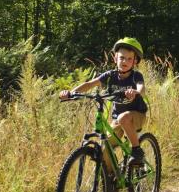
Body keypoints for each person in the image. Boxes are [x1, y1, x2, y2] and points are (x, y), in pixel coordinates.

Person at [59, 37, 148, 169]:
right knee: (105, 148)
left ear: (135, 61)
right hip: (117, 119)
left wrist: (136, 92)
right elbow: (89, 84)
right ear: (115, 58)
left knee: (123, 117)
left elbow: (141, 87)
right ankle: (112, 182)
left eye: (129, 59)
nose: (125, 61)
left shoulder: (136, 76)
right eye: (122, 58)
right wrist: (70, 93)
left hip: (137, 116)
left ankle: (137, 151)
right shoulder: (110, 76)